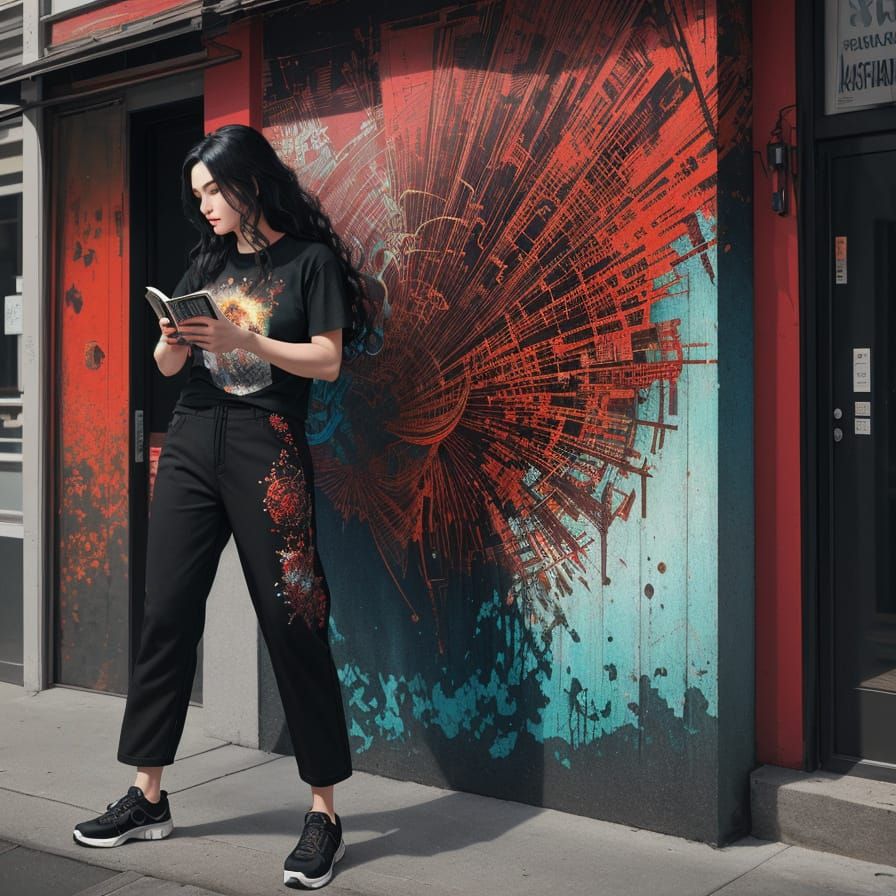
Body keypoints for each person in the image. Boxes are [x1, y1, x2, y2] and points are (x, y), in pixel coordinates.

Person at [72, 123, 367, 891]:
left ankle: (324, 812)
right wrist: (174, 334)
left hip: (268, 442)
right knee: (165, 611)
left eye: (212, 191)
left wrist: (245, 337)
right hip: (195, 434)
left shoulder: (311, 263)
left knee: (293, 618)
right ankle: (147, 797)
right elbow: (169, 362)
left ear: (249, 183)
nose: (203, 206)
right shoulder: (207, 260)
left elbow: (329, 362)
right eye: (196, 195)